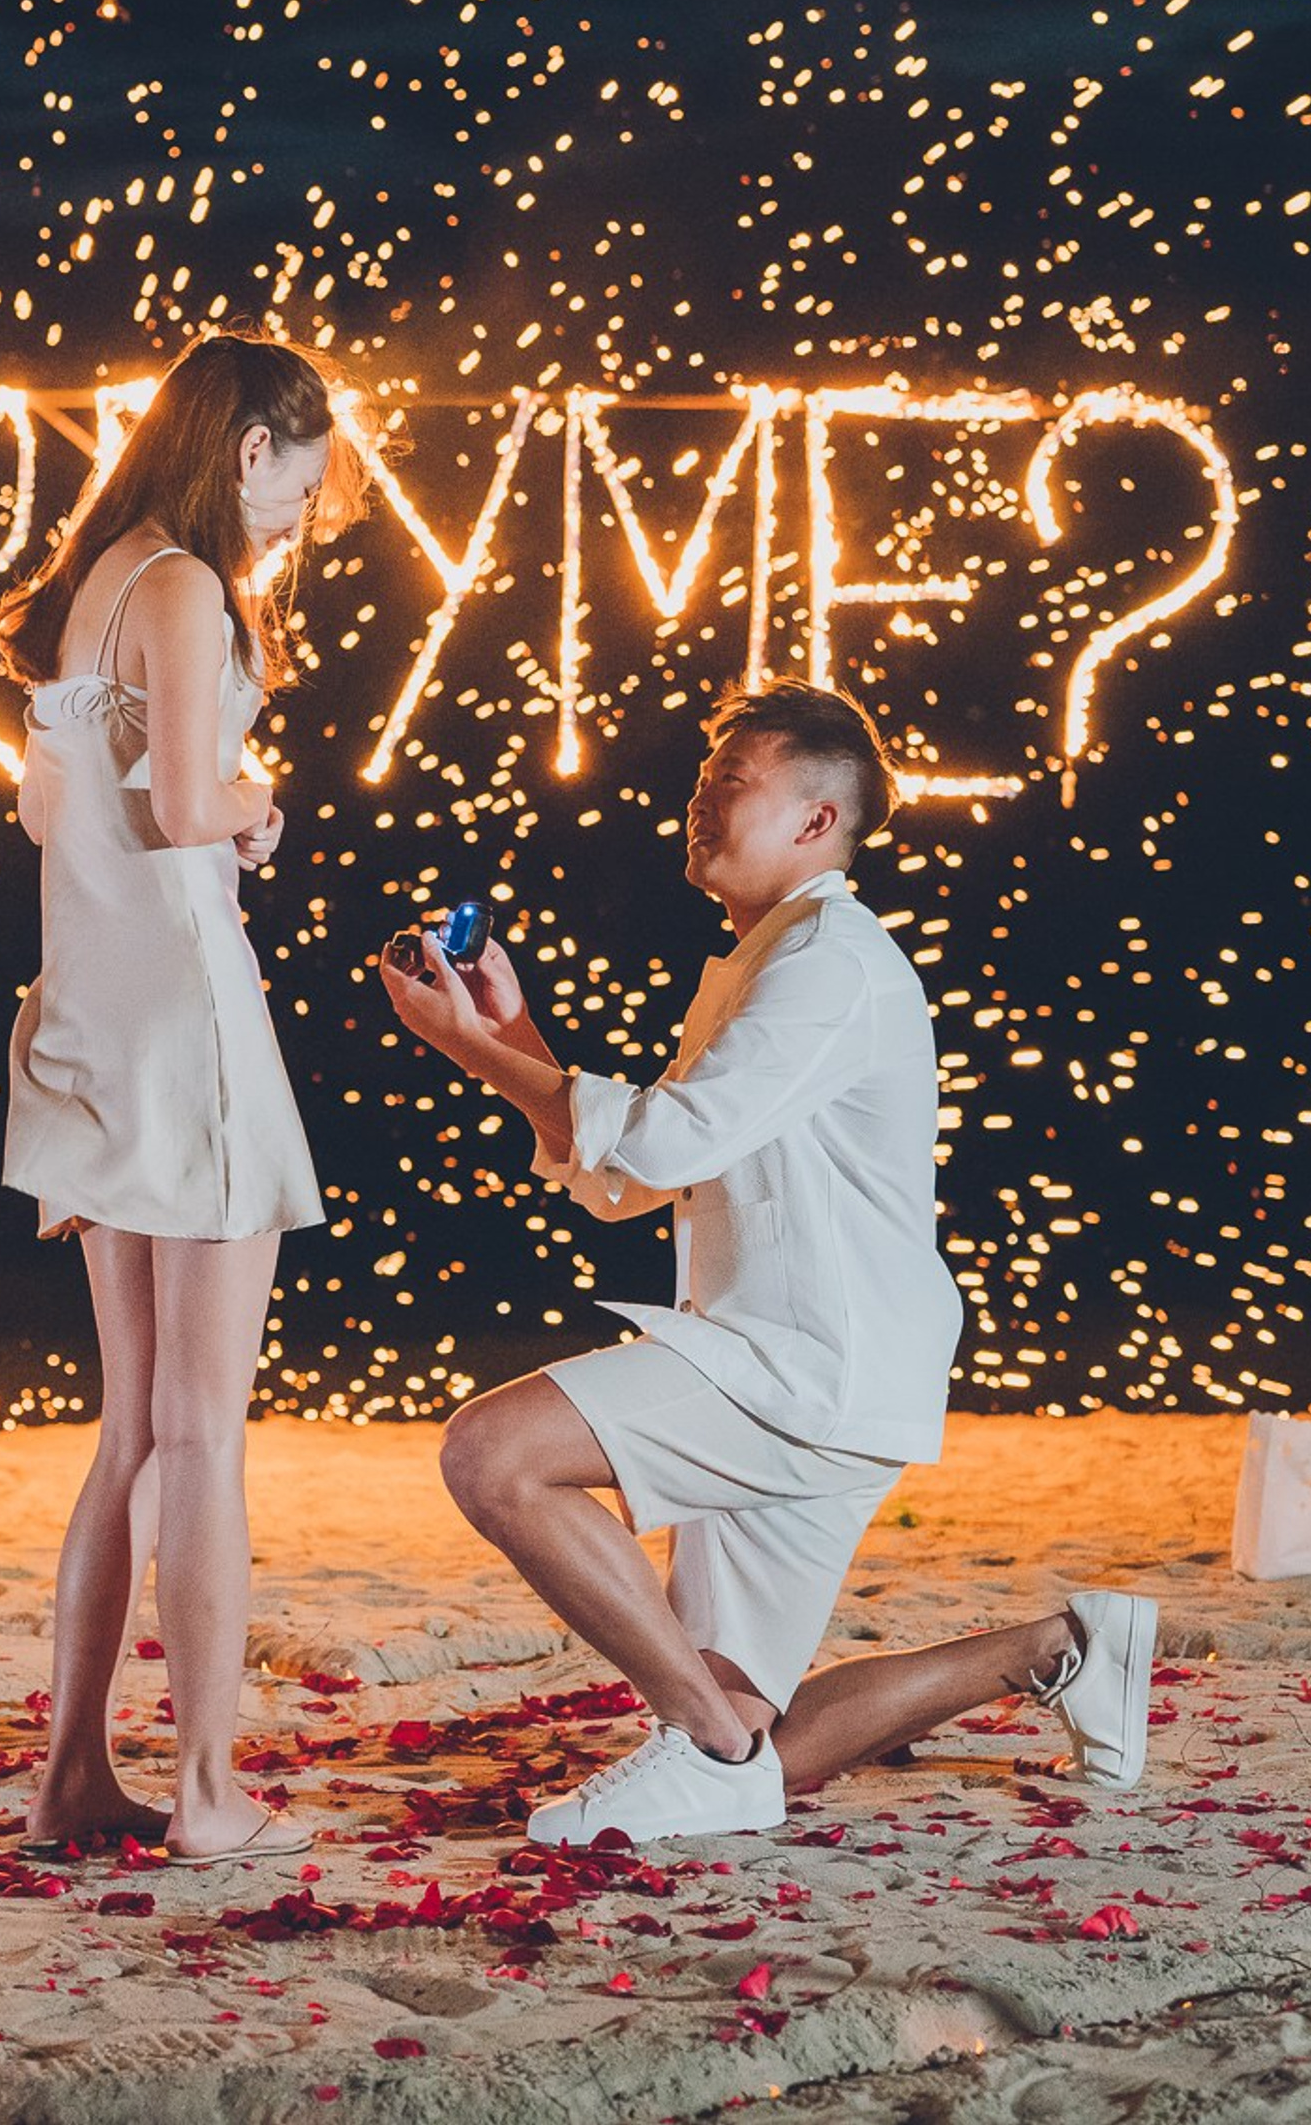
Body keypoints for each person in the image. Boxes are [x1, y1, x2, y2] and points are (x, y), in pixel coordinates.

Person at [377, 679, 1156, 1845]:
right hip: (822, 1368)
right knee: (757, 1733)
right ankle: (1060, 1650)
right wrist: (509, 1040)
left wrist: (478, 1054)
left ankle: (706, 1745)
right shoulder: (769, 957)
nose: (697, 803)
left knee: (492, 1453)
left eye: (727, 784)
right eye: (700, 783)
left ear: (813, 821)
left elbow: (653, 1139)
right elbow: (628, 1179)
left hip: (801, 1367)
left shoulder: (828, 962)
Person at [0, 331, 365, 1862]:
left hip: (86, 1018)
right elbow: (183, 811)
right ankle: (211, 1794)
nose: (301, 515)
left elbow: (49, 809)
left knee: (131, 1430)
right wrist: (263, 809)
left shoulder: (94, 588)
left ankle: (75, 1774)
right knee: (208, 1429)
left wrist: (205, 811)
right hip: (187, 1020)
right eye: (302, 483)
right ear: (254, 446)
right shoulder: (190, 590)